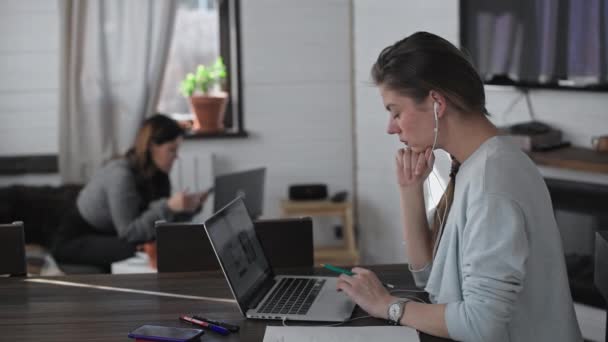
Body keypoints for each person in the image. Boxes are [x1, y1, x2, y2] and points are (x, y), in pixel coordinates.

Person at [336, 32, 582, 341]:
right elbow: (430, 278)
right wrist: (410, 190)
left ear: (437, 102)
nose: (391, 128)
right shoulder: (475, 162)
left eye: (396, 112)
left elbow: (481, 324)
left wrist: (387, 306)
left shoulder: (492, 181)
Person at [52, 115, 209, 272]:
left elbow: (158, 223)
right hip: (75, 238)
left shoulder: (159, 175)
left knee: (161, 243)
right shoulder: (121, 175)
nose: (176, 157)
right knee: (139, 248)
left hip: (110, 233)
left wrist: (187, 208)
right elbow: (130, 232)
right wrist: (168, 206)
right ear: (152, 146)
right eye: (171, 149)